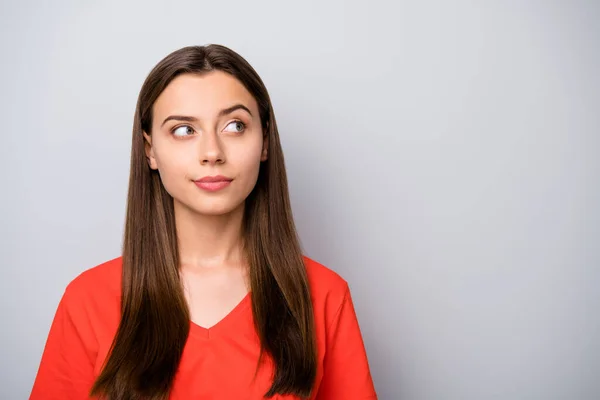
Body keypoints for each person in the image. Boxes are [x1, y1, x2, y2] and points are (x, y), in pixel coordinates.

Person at [30, 44, 377, 400]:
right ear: (150, 149)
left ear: (264, 142)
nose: (212, 152)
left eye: (234, 125)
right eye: (184, 130)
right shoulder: (87, 300)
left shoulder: (323, 296)